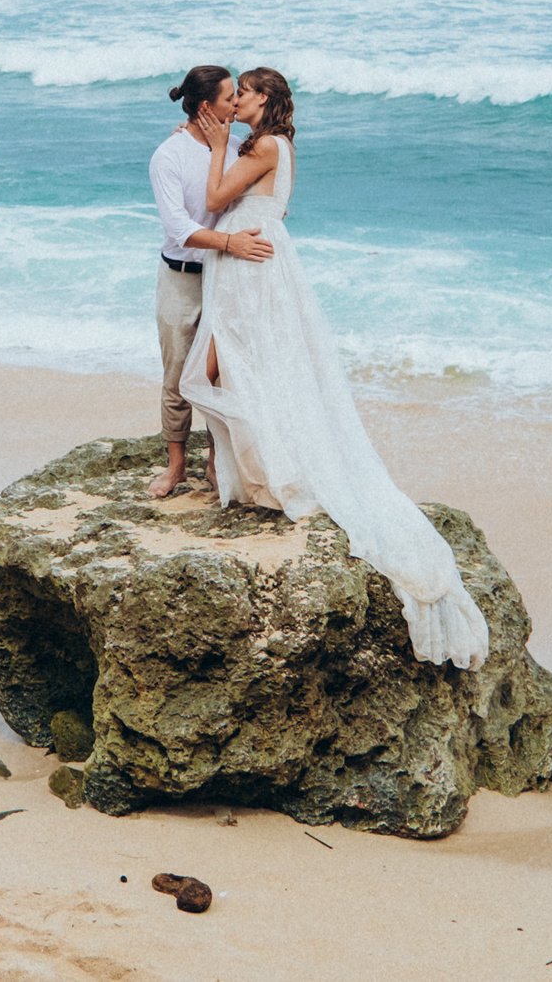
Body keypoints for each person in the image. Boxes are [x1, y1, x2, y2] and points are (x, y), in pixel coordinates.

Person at [177, 67, 490, 669]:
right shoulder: (275, 145)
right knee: (243, 365)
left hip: (251, 261)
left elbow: (216, 201)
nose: (234, 100)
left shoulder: (266, 144)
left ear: (263, 99)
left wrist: (216, 149)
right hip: (254, 257)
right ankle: (247, 469)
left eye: (243, 92)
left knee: (224, 366)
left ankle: (261, 467)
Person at [147, 64, 274, 500]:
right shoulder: (168, 156)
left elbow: (260, 194)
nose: (235, 102)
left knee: (222, 373)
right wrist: (229, 242)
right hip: (182, 277)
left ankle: (218, 463)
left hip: (227, 276)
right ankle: (176, 465)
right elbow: (177, 227)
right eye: (228, 97)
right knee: (179, 373)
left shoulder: (237, 147)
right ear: (207, 107)